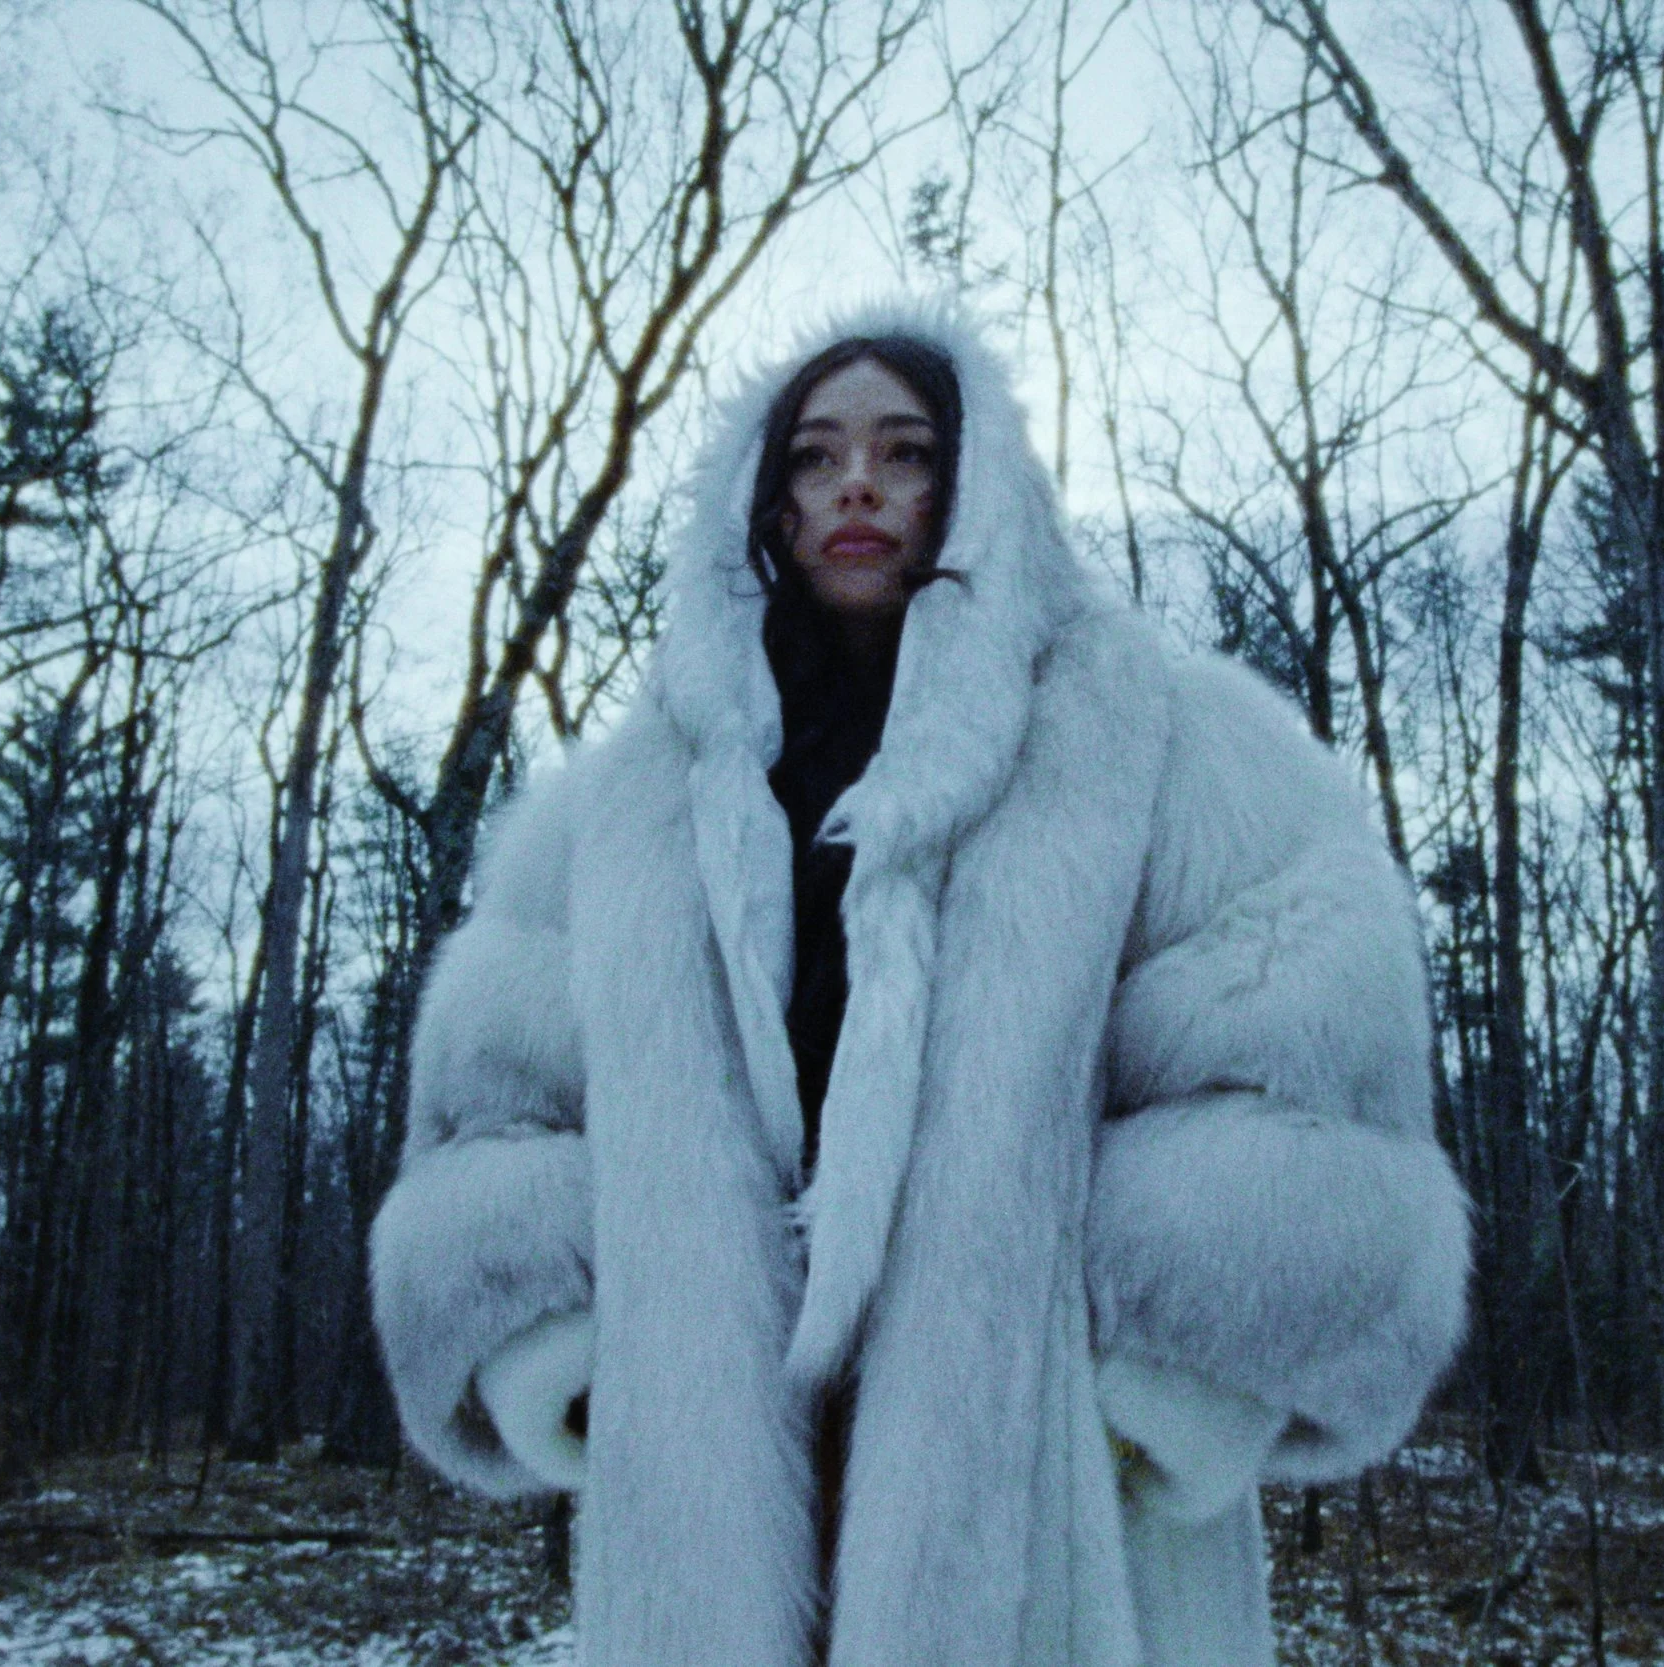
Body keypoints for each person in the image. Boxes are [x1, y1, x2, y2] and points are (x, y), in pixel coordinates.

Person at [370, 302, 1469, 1667]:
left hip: (1048, 1505)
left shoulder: (1161, 738)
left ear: (974, 486)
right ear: (765, 504)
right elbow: (492, 1122)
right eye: (817, 456)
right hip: (723, 1522)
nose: (858, 484)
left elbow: (1318, 1068)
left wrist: (1138, 1388)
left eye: (904, 452)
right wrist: (585, 1370)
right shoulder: (620, 808)